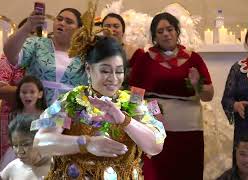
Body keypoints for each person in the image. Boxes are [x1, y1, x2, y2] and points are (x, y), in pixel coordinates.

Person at [30, 3, 166, 178]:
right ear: (88, 69)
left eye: (119, 71)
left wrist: (124, 120)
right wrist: (85, 143)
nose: (113, 79)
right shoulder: (70, 101)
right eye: (105, 71)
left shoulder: (133, 103)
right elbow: (40, 142)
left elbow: (155, 147)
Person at [129, 12, 214, 180]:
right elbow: (134, 97)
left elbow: (208, 95)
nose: (166, 34)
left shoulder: (193, 58)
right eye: (160, 31)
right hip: (156, 131)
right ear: (154, 36)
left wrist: (197, 83)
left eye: (169, 29)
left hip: (190, 132)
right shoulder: (145, 60)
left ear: (177, 32)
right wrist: (152, 112)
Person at [4, 6, 87, 105]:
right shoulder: (36, 44)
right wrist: (27, 26)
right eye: (59, 19)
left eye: (69, 22)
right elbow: (10, 54)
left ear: (79, 29)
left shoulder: (84, 53)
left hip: (68, 114)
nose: (62, 23)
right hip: (35, 110)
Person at [0, 18, 34, 164]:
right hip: (13, 119)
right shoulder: (8, 58)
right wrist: (31, 93)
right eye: (28, 32)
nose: (31, 38)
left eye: (35, 34)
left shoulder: (43, 59)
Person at [221, 23, 248, 178]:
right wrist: (235, 105)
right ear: (246, 42)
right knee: (244, 167)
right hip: (244, 128)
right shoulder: (237, 68)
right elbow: (226, 99)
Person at [0, 114, 51, 180]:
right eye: (15, 146)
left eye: (26, 144)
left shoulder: (57, 167)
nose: (20, 151)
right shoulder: (13, 167)